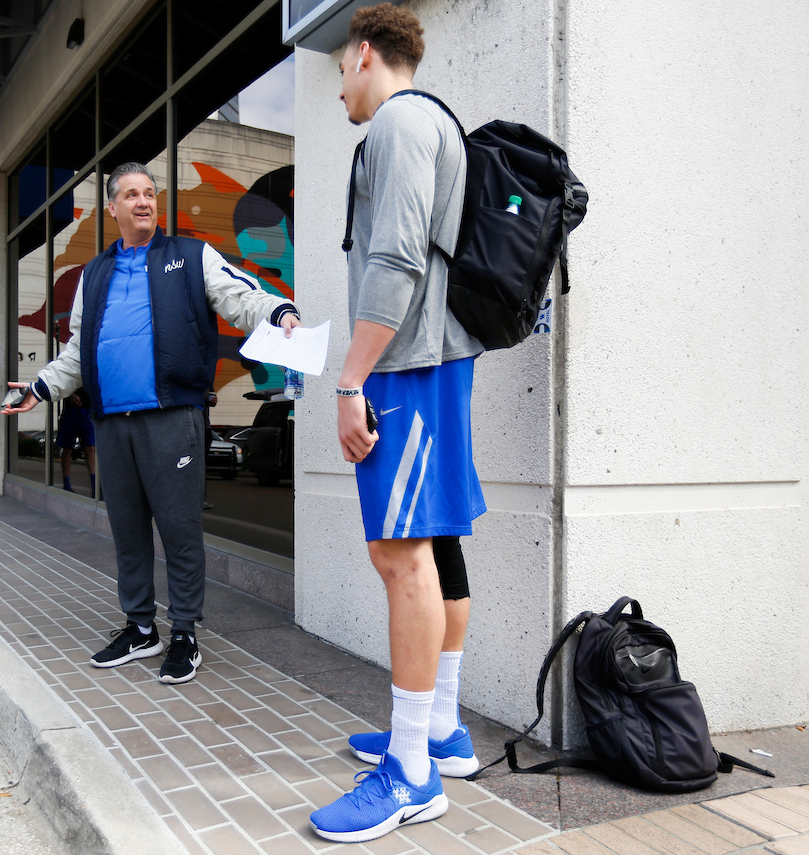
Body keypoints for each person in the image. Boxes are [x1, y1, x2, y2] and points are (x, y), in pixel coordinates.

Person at [4, 162, 302, 684]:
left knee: (180, 529)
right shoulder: (95, 274)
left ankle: (184, 632)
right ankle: (140, 627)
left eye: (150, 194)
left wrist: (278, 313)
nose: (143, 202)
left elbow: (241, 295)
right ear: (113, 208)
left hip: (173, 419)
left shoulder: (189, 256)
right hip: (113, 424)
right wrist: (41, 388)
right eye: (131, 195)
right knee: (127, 530)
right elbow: (78, 352)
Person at [308, 5, 487, 843]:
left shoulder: (398, 126)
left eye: (343, 67)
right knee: (433, 545)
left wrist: (352, 377)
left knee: (399, 553)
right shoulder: (431, 125)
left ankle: (411, 772)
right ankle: (439, 730)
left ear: (367, 54)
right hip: (434, 361)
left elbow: (397, 256)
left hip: (406, 368)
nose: (341, 83)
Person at [56, 390, 96, 495]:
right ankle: (67, 484)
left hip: (88, 409)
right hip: (71, 410)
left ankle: (95, 486)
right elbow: (62, 384)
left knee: (91, 448)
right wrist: (70, 394)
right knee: (68, 447)